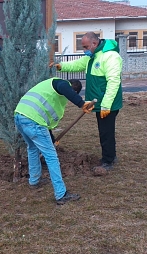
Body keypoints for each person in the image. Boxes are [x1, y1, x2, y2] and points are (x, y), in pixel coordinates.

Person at [14, 77, 95, 205]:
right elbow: (64, 88)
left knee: (33, 149)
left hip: (20, 116)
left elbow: (47, 122)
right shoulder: (61, 83)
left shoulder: (49, 89)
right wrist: (81, 103)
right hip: (33, 121)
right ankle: (61, 194)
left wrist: (51, 140)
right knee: (51, 156)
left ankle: (34, 181)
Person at [51, 32, 123, 171]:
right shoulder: (93, 55)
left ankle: (108, 161)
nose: (84, 50)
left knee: (106, 132)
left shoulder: (111, 57)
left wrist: (106, 105)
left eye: (85, 47)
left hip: (108, 104)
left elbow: (113, 82)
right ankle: (111, 156)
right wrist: (61, 66)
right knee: (105, 130)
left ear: (94, 44)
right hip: (99, 102)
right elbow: (78, 64)